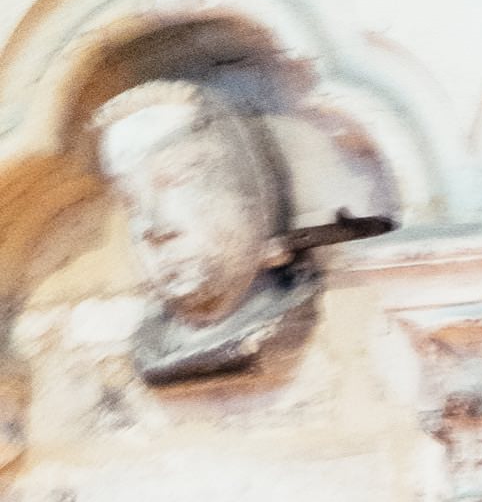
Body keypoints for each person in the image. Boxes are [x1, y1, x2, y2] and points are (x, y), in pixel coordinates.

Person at [92, 80, 316, 382]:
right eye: (130, 199)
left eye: (179, 179)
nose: (154, 227)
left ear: (256, 197)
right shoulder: (151, 346)